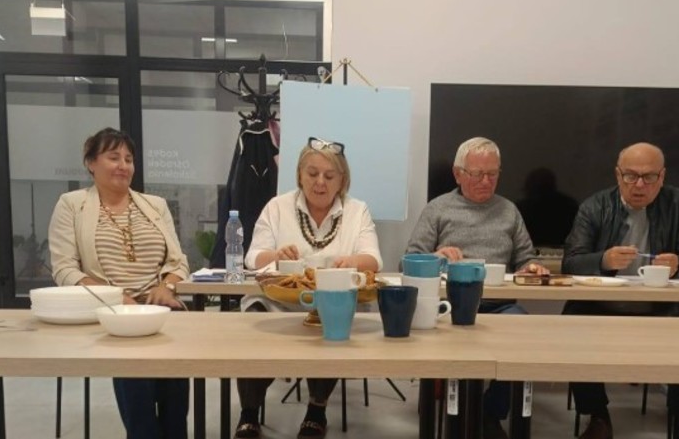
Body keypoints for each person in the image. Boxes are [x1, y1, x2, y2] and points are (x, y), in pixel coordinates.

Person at [562, 142, 679, 439]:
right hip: (603, 309)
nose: (639, 185)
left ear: (662, 177)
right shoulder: (595, 206)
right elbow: (570, 262)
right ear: (617, 175)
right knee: (570, 323)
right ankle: (598, 417)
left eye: (649, 177)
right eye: (631, 176)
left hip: (664, 310)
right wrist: (604, 260)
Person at [234, 136, 383, 439]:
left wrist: (351, 261)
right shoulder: (277, 207)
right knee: (253, 319)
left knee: (333, 319)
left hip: (330, 304)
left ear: (342, 180)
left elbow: (374, 260)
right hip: (277, 300)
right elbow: (252, 257)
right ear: (299, 175)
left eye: (329, 176)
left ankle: (316, 411)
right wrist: (276, 256)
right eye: (312, 173)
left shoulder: (357, 210)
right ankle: (248, 412)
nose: (320, 183)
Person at [48, 127, 190, 439]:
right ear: (91, 163)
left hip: (159, 308)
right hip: (110, 311)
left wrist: (167, 286)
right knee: (137, 384)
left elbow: (179, 262)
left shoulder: (155, 205)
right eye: (113, 157)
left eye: (128, 159)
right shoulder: (71, 204)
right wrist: (115, 297)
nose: (123, 165)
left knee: (175, 395)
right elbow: (65, 269)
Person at [405, 136, 548, 439]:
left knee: (523, 330)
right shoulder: (438, 208)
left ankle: (489, 413)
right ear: (458, 174)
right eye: (477, 174)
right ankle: (452, 413)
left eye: (493, 174)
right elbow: (410, 260)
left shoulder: (509, 210)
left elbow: (525, 259)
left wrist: (532, 268)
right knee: (445, 340)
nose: (486, 181)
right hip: (449, 307)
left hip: (499, 305)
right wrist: (437, 256)